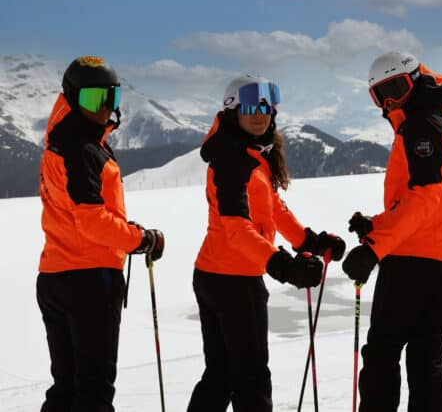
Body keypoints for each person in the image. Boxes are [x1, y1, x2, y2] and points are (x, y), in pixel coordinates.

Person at [187, 74, 345, 412]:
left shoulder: (249, 153)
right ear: (233, 111)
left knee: (222, 375)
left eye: (266, 107)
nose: (259, 114)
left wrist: (309, 241)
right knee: (250, 379)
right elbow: (236, 228)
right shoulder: (233, 160)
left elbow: (273, 209)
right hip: (234, 281)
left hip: (217, 274)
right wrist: (282, 264)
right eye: (249, 107)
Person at [342, 51, 442, 412]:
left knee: (383, 350)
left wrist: (373, 248)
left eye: (396, 89)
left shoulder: (421, 127)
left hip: (417, 259)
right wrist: (377, 226)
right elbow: (429, 201)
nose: (388, 103)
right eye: (379, 95)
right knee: (425, 352)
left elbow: (423, 199)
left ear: (415, 81)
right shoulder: (436, 119)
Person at [37, 56, 166, 411]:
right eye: (95, 100)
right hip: (89, 280)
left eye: (112, 98)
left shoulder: (60, 142)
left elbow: (79, 214)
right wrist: (140, 239)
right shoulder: (82, 149)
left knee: (66, 387)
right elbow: (91, 220)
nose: (106, 108)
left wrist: (130, 232)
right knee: (93, 391)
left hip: (55, 275)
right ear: (72, 98)